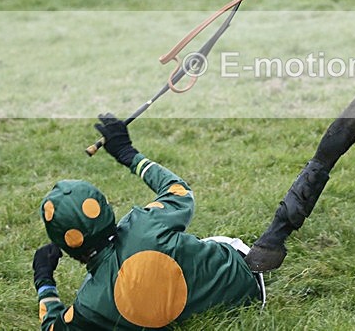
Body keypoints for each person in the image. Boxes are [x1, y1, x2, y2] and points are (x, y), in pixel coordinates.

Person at [32, 114, 264, 330]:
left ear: (64, 245)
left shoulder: (88, 305)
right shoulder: (144, 223)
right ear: (106, 209)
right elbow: (178, 190)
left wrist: (44, 281)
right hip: (248, 288)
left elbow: (53, 327)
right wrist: (128, 154)